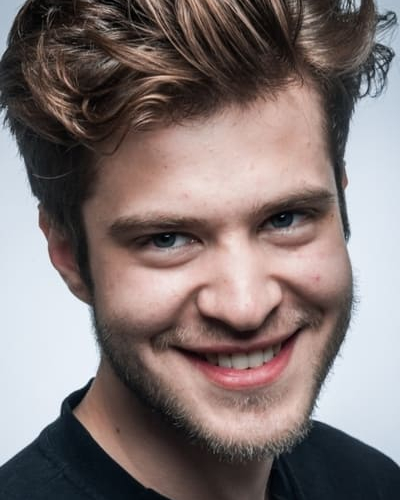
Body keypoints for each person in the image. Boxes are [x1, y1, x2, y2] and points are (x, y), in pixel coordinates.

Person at [0, 0, 399, 498]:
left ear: (341, 205)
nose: (245, 307)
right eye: (166, 239)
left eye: (286, 218)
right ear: (66, 253)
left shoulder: (373, 483)